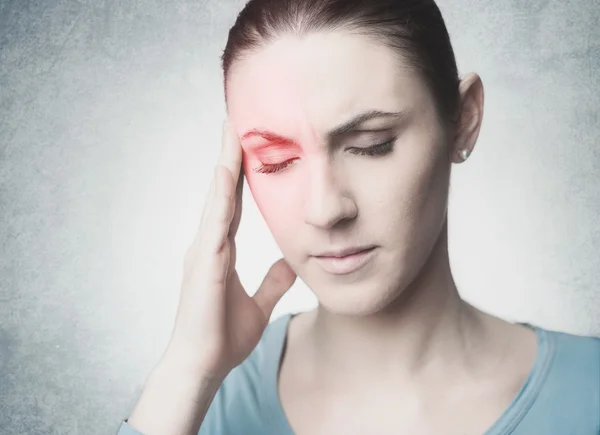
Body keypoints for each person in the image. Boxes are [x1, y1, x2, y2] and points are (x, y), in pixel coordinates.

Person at [117, 0, 600, 434]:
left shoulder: (589, 395)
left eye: (372, 146)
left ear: (463, 119)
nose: (326, 210)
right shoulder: (199, 405)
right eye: (276, 162)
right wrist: (188, 372)